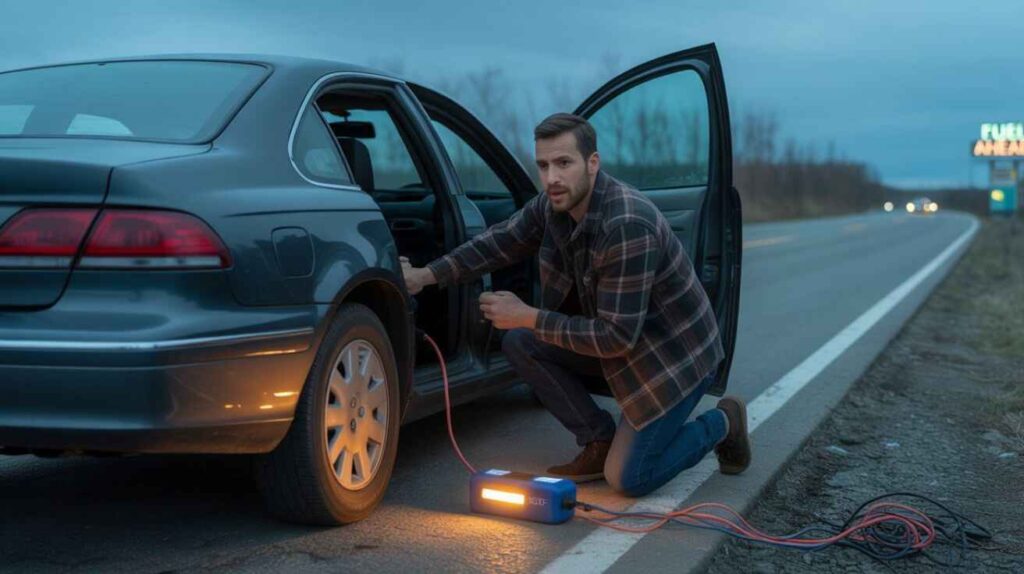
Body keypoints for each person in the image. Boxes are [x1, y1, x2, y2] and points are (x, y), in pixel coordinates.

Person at [401, 113, 750, 496]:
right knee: (519, 341)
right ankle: (598, 440)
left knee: (631, 478)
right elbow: (499, 242)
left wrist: (529, 315)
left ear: (593, 164)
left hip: (672, 361)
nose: (552, 178)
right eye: (544, 165)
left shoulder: (626, 225)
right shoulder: (552, 206)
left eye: (564, 163)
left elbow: (617, 337)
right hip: (620, 346)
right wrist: (425, 276)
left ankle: (722, 423)